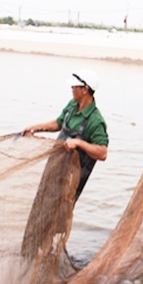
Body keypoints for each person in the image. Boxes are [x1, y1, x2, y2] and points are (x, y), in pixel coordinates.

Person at [22, 68, 109, 202]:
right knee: (41, 204)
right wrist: (35, 127)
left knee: (59, 213)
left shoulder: (96, 121)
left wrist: (79, 143)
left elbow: (102, 153)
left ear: (85, 90)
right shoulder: (72, 104)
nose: (71, 88)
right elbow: (58, 123)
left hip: (70, 181)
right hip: (54, 171)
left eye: (74, 86)